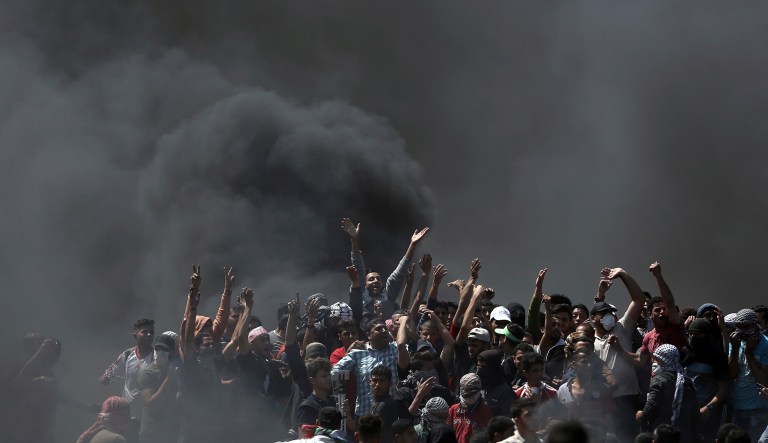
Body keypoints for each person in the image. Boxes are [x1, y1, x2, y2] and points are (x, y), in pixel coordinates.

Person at [592, 267, 646, 443]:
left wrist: (623, 275)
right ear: (593, 319)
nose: (609, 317)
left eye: (610, 313)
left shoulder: (622, 328)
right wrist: (600, 293)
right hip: (602, 400)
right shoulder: (587, 340)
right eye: (603, 314)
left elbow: (639, 299)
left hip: (626, 398)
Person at [342, 217, 430, 318]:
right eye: (371, 279)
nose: (376, 281)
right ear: (365, 284)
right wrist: (354, 241)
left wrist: (412, 245)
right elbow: (358, 266)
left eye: (378, 279)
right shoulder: (360, 294)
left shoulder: (388, 296)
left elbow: (399, 273)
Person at [332, 316, 411, 417]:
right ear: (368, 335)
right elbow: (334, 373)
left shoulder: (395, 349)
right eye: (378, 329)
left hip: (392, 413)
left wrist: (404, 323)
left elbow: (403, 345)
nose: (383, 331)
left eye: (385, 329)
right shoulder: (357, 354)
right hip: (365, 414)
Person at [636, 344, 697, 443]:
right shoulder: (686, 380)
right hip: (683, 430)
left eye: (656, 359)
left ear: (665, 360)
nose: (653, 361)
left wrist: (642, 414)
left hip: (663, 430)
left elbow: (652, 404)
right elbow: (694, 407)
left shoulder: (659, 380)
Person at [682, 318, 729, 443]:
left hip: (707, 414)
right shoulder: (686, 352)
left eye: (697, 334)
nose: (693, 337)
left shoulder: (716, 356)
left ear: (707, 334)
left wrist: (708, 408)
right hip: (685, 412)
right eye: (690, 334)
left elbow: (724, 389)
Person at [727, 308, 768, 442]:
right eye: (739, 326)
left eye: (746, 326)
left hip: (758, 408)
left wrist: (749, 354)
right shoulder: (735, 342)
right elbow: (731, 375)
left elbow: (763, 380)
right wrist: (736, 349)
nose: (742, 329)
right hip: (738, 404)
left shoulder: (765, 344)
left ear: (754, 324)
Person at [100, 318, 155, 414]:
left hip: (147, 413)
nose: (149, 335)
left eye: (151, 332)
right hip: (126, 413)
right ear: (135, 335)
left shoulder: (156, 356)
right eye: (144, 332)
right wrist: (105, 379)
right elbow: (106, 376)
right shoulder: (127, 354)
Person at [138, 333, 180, 443]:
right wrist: (169, 379)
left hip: (171, 431)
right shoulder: (148, 373)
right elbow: (150, 403)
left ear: (170, 352)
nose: (160, 352)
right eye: (158, 348)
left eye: (164, 349)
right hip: (152, 433)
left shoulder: (175, 369)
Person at [447, 373, 493, 443]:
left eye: (472, 394)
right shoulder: (453, 410)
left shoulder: (485, 411)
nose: (470, 398)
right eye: (467, 395)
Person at [370, 365, 408, 443]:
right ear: (370, 382)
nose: (377, 385)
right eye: (375, 380)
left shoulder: (384, 405)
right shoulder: (378, 403)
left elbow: (370, 434)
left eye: (382, 381)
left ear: (390, 383)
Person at [476, 349, 515, 417]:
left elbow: (506, 421)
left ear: (493, 368)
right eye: (478, 366)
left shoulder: (505, 392)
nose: (479, 371)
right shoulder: (477, 387)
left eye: (483, 367)